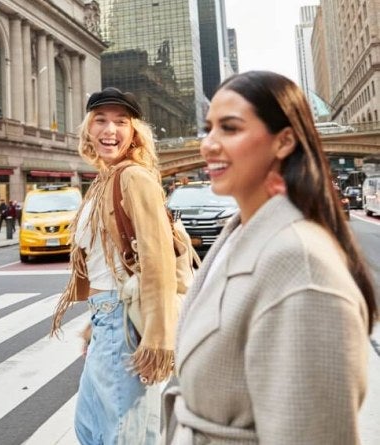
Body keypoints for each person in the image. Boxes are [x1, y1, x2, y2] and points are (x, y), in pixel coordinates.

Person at [163, 71, 377, 444]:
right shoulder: (240, 234)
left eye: (229, 128)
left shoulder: (301, 266)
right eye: (208, 128)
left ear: (284, 141)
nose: (208, 144)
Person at [51, 87, 179, 444]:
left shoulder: (133, 177)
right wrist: (95, 328)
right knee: (92, 430)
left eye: (121, 122)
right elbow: (102, 265)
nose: (111, 130)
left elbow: (158, 261)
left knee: (125, 436)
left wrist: (157, 338)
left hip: (125, 322)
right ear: (88, 130)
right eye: (101, 120)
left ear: (135, 131)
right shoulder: (102, 181)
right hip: (107, 319)